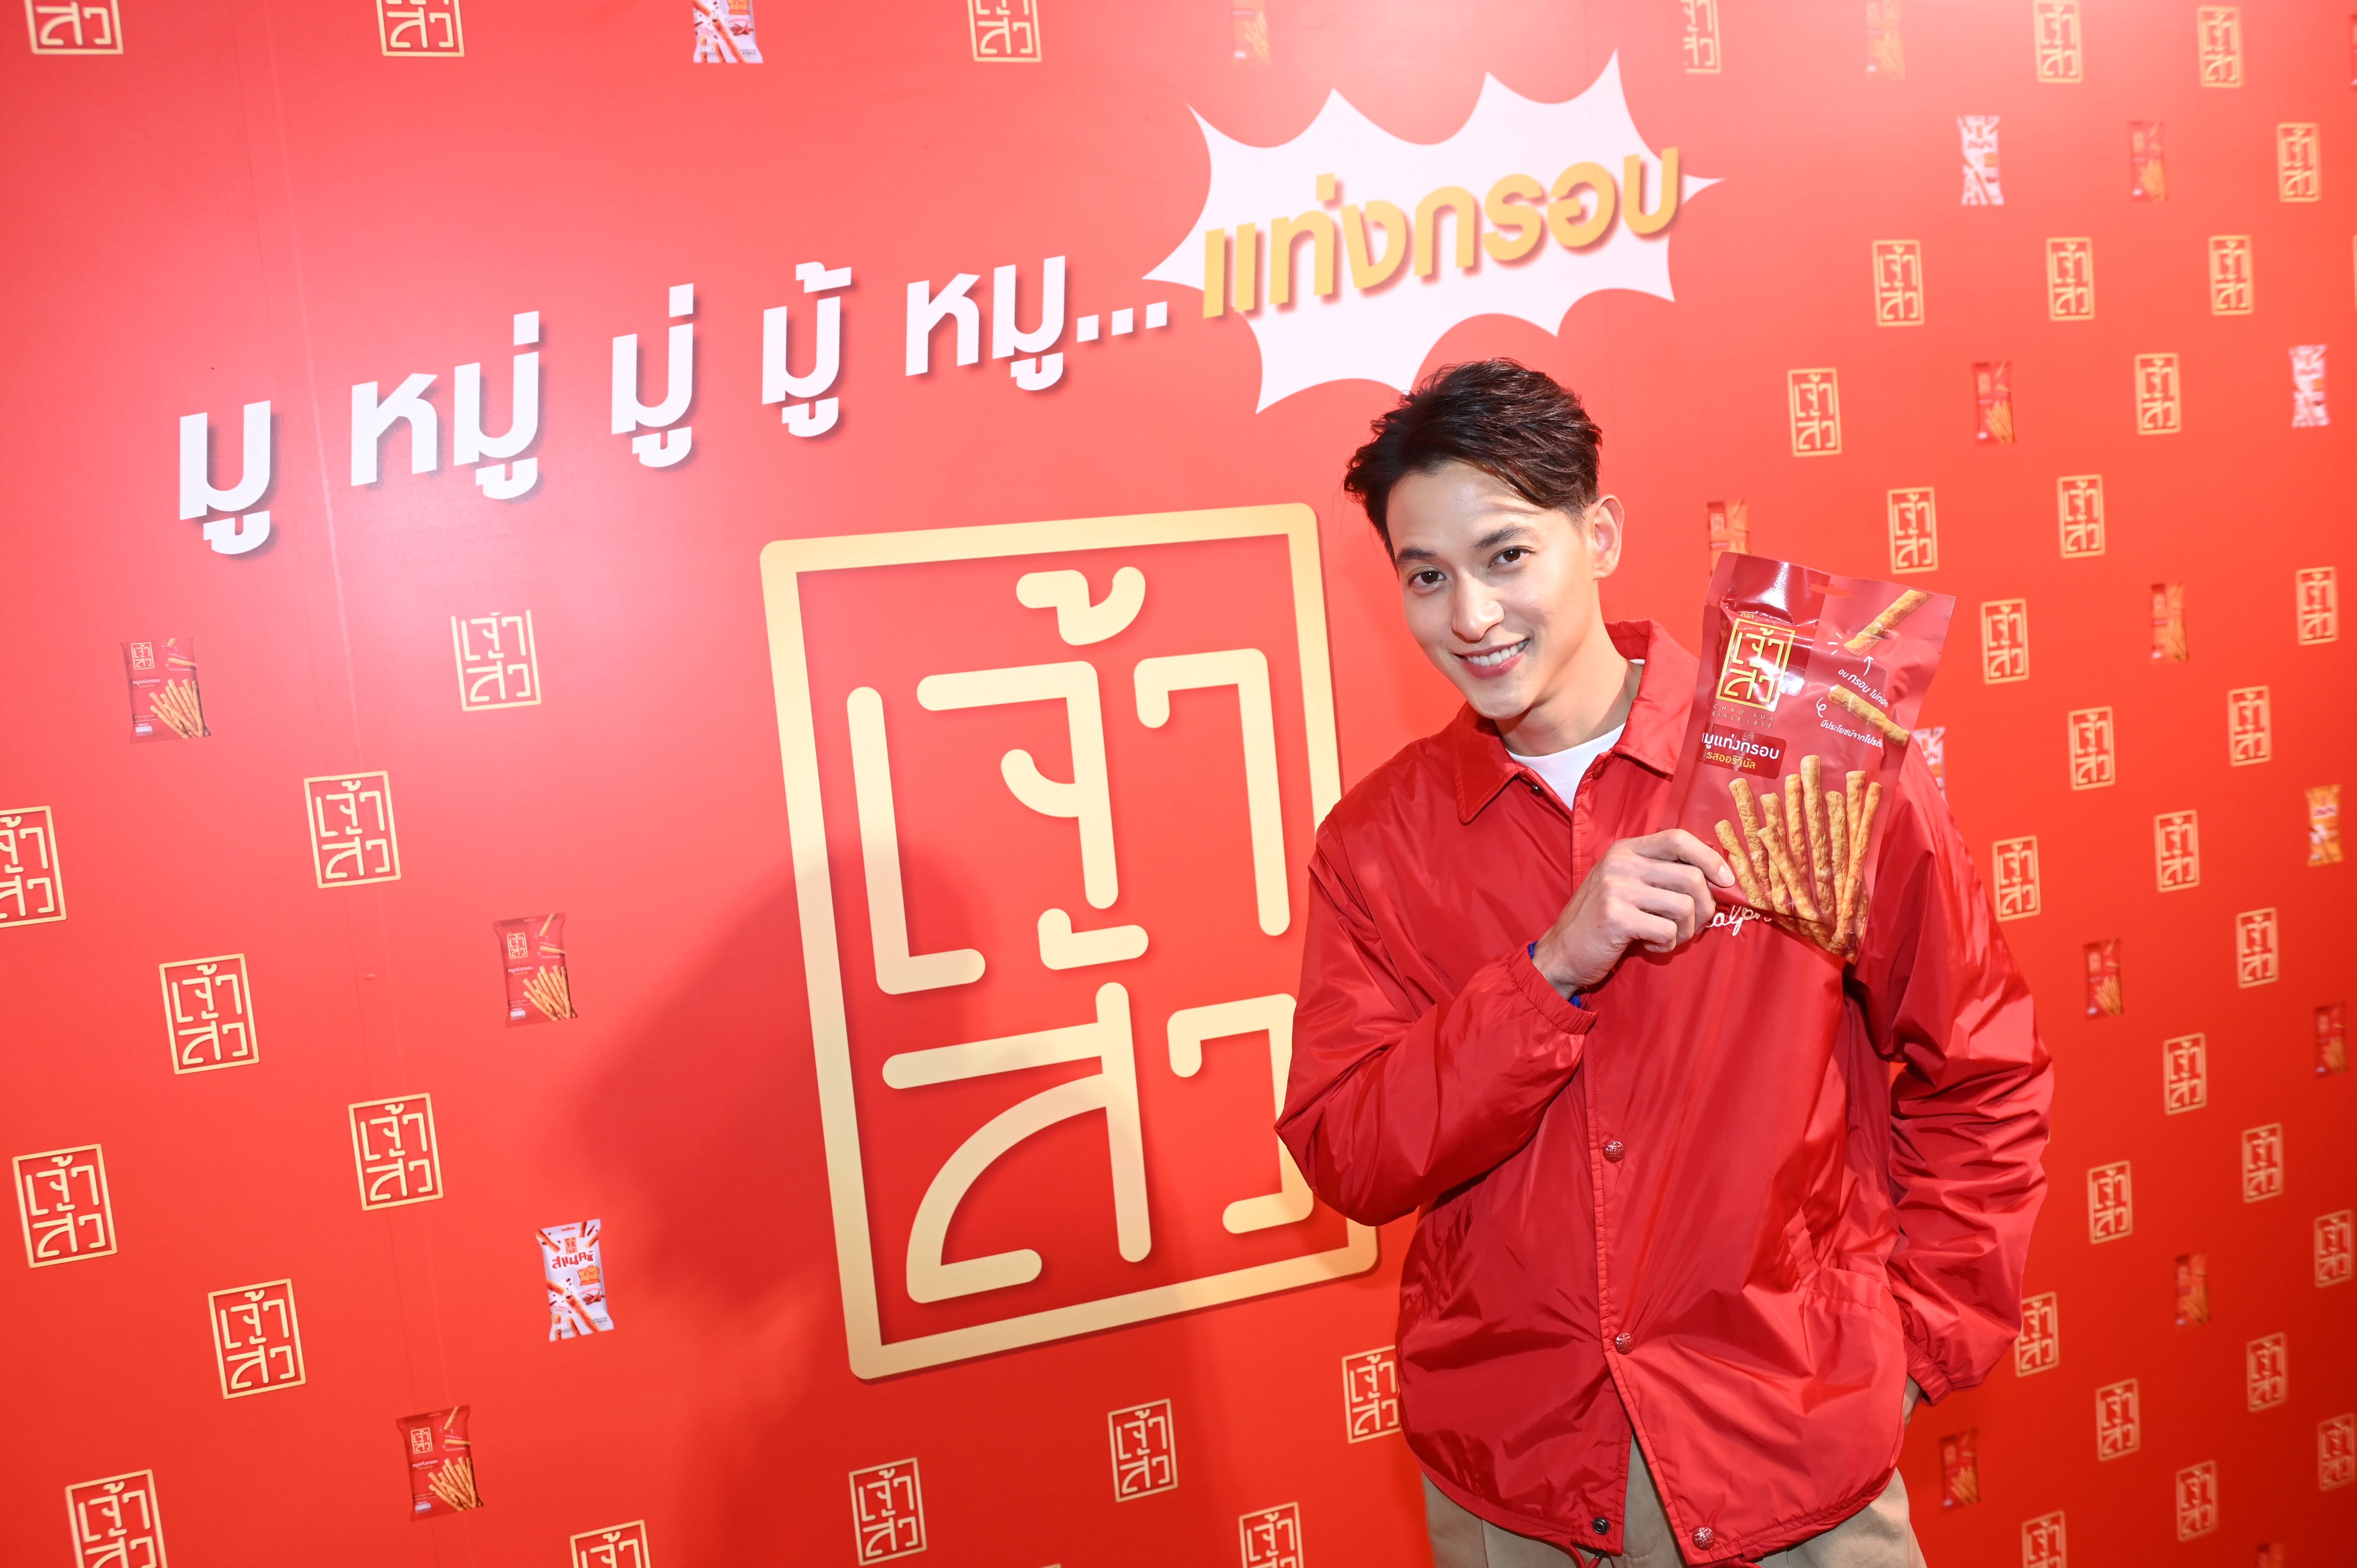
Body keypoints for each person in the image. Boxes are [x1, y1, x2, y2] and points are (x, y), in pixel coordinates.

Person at [1276, 360, 2051, 1567]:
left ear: (1599, 534)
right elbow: (1351, 1154)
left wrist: (1909, 1349)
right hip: (1515, 1483)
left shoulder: (1807, 754)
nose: (1471, 616)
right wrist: (1547, 972)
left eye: (1506, 556)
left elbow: (1983, 1072)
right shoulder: (1378, 843)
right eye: (1427, 577)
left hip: (1792, 1461)